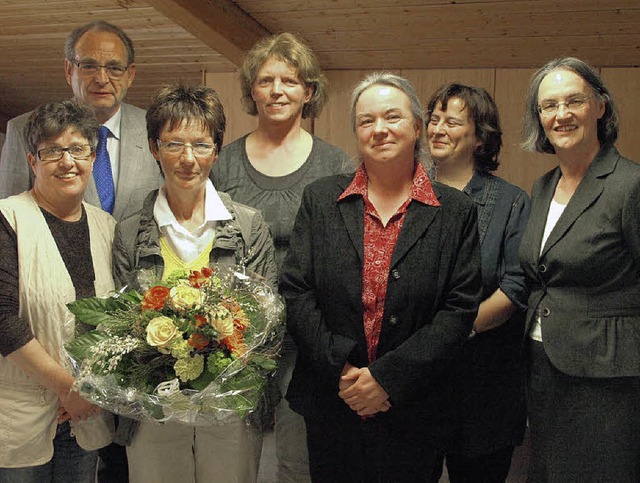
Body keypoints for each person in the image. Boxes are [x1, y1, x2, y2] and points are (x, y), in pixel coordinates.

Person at [280, 72, 483, 482]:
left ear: (416, 127)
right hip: (332, 398)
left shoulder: (456, 211)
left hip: (415, 406)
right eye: (366, 120)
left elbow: (458, 310)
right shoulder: (321, 199)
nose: (380, 129)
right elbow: (297, 290)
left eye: (392, 117)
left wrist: (387, 379)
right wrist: (342, 370)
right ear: (356, 131)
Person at [112, 83, 278, 483]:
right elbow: (118, 321)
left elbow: (266, 321)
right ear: (154, 148)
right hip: (154, 405)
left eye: (201, 145)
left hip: (229, 406)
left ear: (217, 150)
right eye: (173, 144)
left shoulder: (248, 226)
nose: (188, 159)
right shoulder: (131, 231)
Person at [209, 31, 349, 481]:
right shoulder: (222, 164)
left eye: (290, 80)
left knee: (296, 459)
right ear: (251, 90)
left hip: (305, 337)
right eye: (266, 80)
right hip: (231, 337)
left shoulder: (337, 166)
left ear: (309, 92)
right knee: (231, 458)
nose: (277, 90)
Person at [519, 57, 640, 481]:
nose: (561, 114)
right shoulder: (544, 186)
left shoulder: (629, 185)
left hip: (606, 376)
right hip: (541, 364)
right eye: (549, 106)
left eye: (574, 101)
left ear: (600, 107)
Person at [0, 100, 115, 481]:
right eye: (52, 151)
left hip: (86, 417)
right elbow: (3, 320)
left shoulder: (107, 227)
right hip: (21, 417)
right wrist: (69, 388)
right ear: (33, 161)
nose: (67, 161)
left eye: (78, 149)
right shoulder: (8, 218)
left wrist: (88, 392)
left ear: (93, 158)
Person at [426, 83, 530, 482]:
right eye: (434, 120)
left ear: (481, 138)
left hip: (485, 385)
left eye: (451, 122)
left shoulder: (511, 202)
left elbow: (516, 286)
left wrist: (452, 332)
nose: (438, 129)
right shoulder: (407, 194)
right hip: (418, 383)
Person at [0, 20, 163, 222]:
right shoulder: (23, 130)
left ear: (130, 74)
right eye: (88, 66)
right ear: (69, 70)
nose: (102, 78)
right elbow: (8, 223)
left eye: (114, 68)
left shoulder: (157, 128)